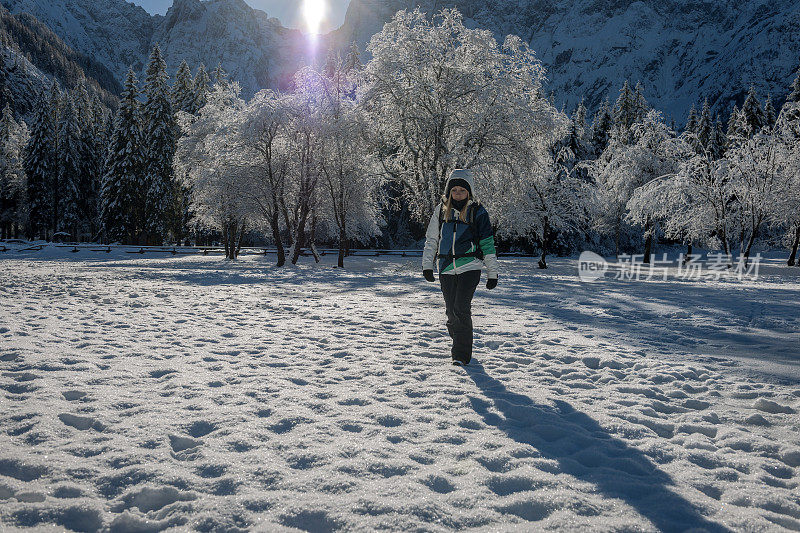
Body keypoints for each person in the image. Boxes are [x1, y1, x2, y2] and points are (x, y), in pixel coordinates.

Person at [422, 169, 499, 366]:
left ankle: (461, 356)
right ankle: (459, 336)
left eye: (461, 190)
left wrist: (492, 273)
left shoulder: (478, 212)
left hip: (470, 267)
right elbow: (432, 239)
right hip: (446, 267)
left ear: (469, 191)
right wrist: (427, 266)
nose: (457, 193)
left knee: (461, 309)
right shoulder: (440, 211)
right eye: (454, 190)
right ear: (448, 191)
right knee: (451, 312)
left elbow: (487, 243)